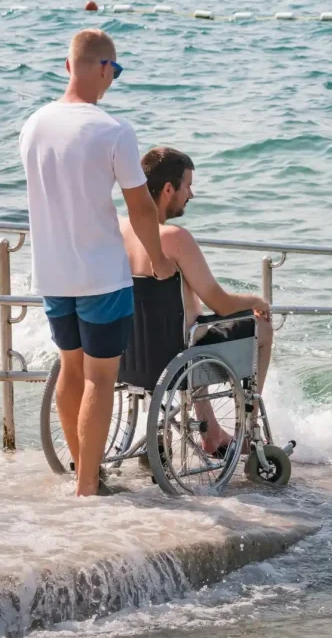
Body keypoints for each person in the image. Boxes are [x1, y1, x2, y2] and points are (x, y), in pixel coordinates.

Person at [20, 30, 175, 497]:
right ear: (103, 68)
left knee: (71, 371)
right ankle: (88, 485)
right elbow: (142, 209)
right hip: (102, 275)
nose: (114, 80)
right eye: (116, 70)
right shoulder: (113, 130)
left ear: (68, 66)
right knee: (100, 378)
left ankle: (86, 472)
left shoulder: (34, 124)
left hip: (51, 272)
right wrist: (159, 259)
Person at [120, 147, 273, 454]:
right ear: (168, 189)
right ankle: (247, 429)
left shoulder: (120, 229)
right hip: (178, 354)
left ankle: (212, 431)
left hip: (131, 355)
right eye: (187, 186)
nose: (191, 194)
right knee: (261, 329)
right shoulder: (175, 238)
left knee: (194, 326)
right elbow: (221, 303)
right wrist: (260, 301)